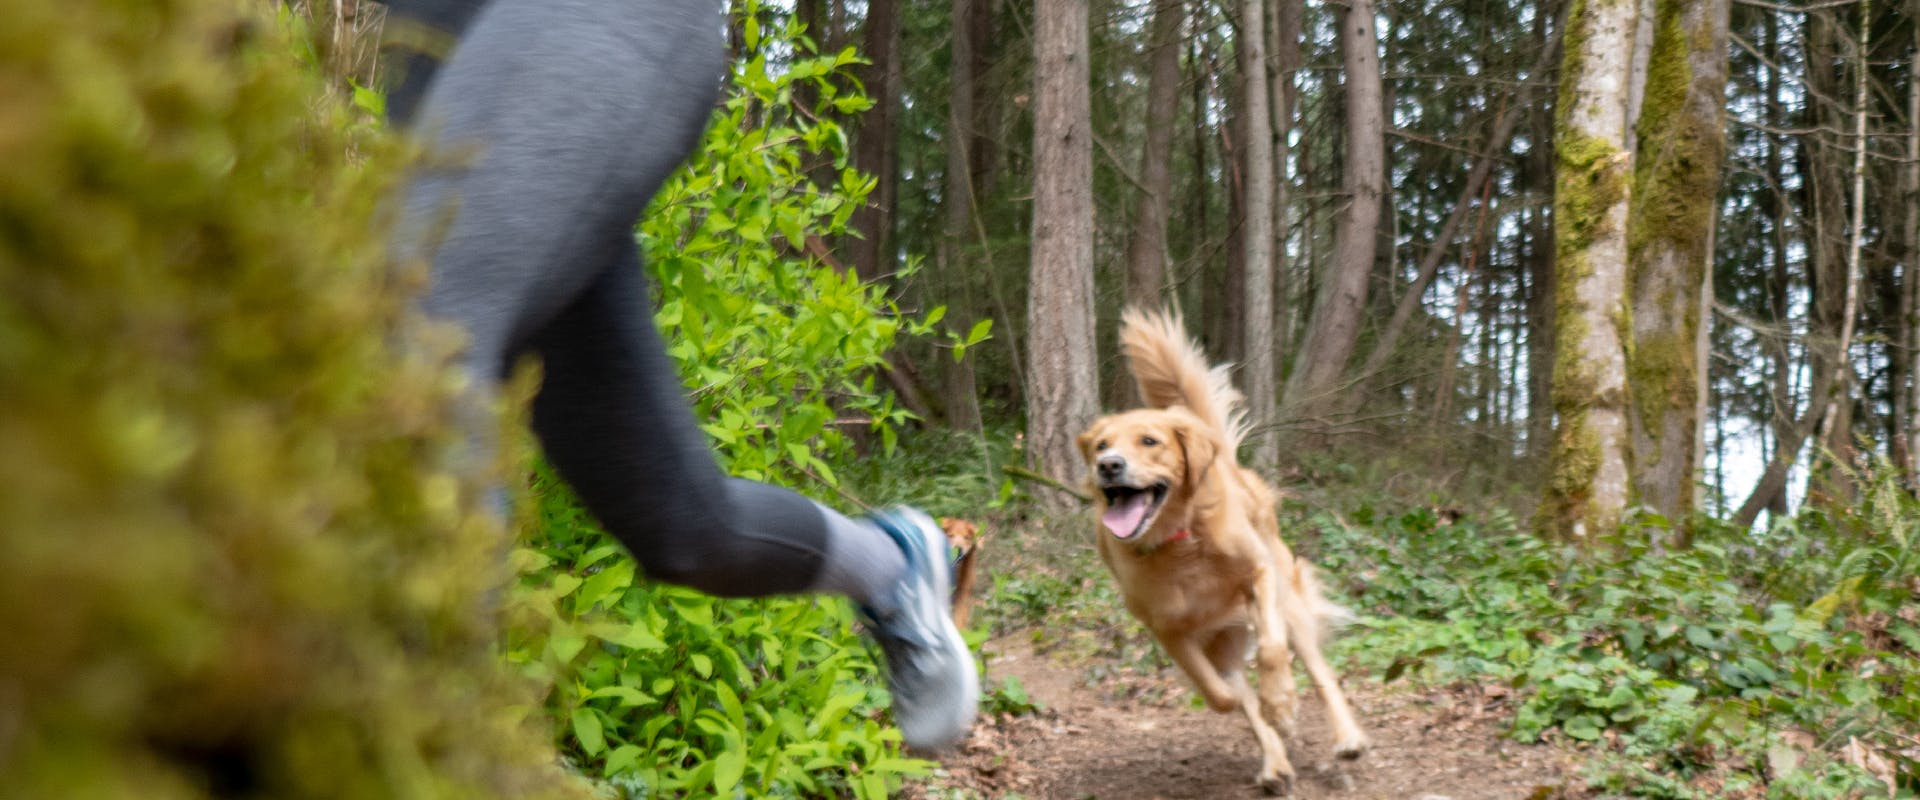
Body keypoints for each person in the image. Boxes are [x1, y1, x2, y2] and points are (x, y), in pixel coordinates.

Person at [376, 0, 978, 751]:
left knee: (422, 317)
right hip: (458, 53)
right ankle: (894, 565)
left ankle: (414, 754)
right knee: (685, 527)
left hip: (598, 23)